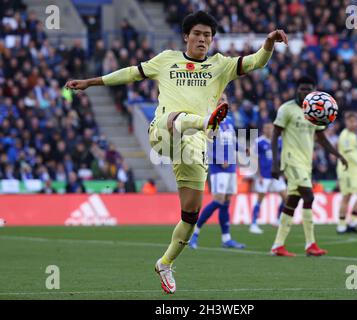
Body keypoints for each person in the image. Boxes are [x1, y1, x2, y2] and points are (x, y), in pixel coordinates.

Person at [65, 11, 288, 294]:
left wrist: (268, 42)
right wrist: (90, 82)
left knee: (190, 214)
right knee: (175, 119)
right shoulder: (167, 59)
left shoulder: (220, 65)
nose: (202, 39)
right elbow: (131, 73)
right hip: (163, 130)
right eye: (197, 34)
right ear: (186, 35)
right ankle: (207, 121)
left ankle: (165, 262)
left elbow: (257, 61)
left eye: (208, 35)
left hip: (194, 145)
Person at [270, 76, 348, 257]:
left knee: (292, 202)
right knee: (309, 196)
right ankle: (310, 244)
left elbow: (321, 138)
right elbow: (275, 135)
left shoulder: (315, 111)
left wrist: (338, 155)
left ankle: (277, 245)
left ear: (314, 91)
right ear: (296, 90)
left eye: (308, 89)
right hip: (291, 160)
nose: (305, 92)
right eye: (302, 89)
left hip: (306, 163)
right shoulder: (286, 109)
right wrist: (275, 163)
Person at [189, 93, 245, 250]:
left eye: (225, 100)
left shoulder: (230, 120)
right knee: (219, 199)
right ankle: (195, 232)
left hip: (231, 165)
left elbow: (231, 141)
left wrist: (243, 149)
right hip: (218, 165)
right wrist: (220, 159)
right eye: (220, 100)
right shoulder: (210, 121)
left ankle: (226, 238)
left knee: (226, 201)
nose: (223, 102)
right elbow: (205, 144)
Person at [336, 113, 357, 235]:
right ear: (346, 123)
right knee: (347, 197)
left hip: (354, 172)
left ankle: (352, 222)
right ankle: (341, 225)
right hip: (347, 172)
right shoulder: (345, 136)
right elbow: (350, 156)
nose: (353, 124)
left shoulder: (353, 135)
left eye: (354, 121)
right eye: (350, 121)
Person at [250, 121, 286, 234]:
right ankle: (253, 224)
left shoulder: (279, 140)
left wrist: (283, 172)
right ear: (263, 129)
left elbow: (282, 158)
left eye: (271, 128)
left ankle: (277, 220)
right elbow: (254, 159)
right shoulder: (259, 142)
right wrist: (258, 175)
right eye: (266, 128)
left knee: (286, 198)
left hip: (276, 175)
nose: (269, 130)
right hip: (264, 175)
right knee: (260, 198)